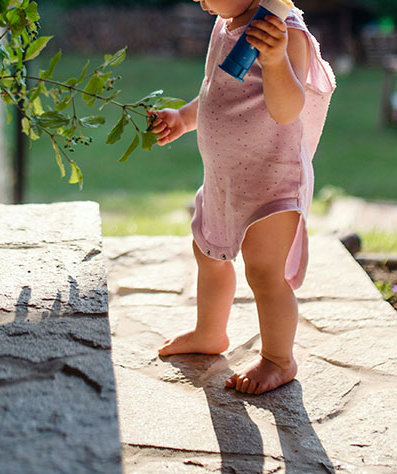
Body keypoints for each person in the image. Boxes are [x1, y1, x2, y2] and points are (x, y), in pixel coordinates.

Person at [148, 0, 335, 395]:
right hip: (226, 179)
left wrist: (274, 59)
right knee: (208, 253)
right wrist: (184, 117)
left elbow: (288, 110)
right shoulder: (226, 24)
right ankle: (209, 332)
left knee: (264, 273)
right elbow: (219, 93)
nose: (200, 2)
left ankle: (278, 359)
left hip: (272, 181)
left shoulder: (283, 32)